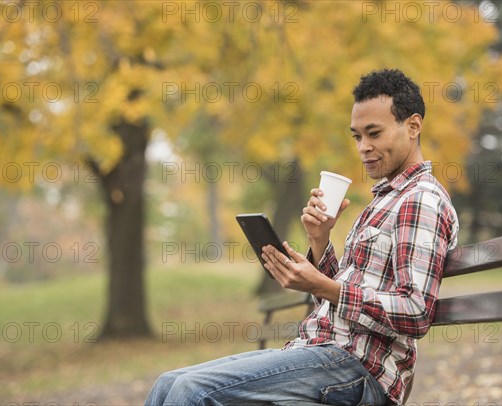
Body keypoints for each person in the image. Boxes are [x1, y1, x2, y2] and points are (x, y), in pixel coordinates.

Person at [144, 68, 459, 406]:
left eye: (374, 133)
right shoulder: (386, 200)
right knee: (170, 382)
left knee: (192, 392)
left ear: (413, 127)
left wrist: (320, 285)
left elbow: (415, 312)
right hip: (322, 354)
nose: (363, 148)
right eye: (356, 136)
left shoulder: (420, 200)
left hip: (357, 368)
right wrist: (320, 240)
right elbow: (342, 300)